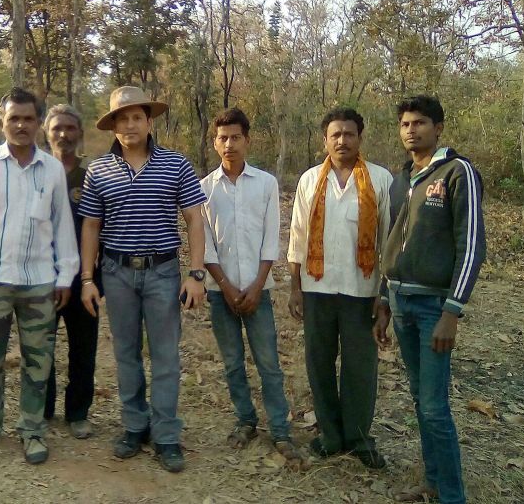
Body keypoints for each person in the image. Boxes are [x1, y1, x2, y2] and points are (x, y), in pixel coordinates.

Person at [78, 86, 207, 473]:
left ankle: (166, 434)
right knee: (126, 354)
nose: (130, 124)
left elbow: (195, 220)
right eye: (122, 118)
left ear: (149, 122)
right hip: (116, 273)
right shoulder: (99, 170)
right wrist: (88, 278)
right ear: (114, 126)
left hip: (163, 272)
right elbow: (90, 227)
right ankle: (134, 425)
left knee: (166, 356)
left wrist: (196, 273)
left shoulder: (176, 164)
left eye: (136, 117)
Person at [0, 87, 79, 465]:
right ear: (2, 123)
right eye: (14, 119)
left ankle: (32, 430)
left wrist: (66, 275)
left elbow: (62, 227)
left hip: (40, 281)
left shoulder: (52, 169)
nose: (21, 125)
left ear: (39, 124)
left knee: (38, 362)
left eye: (28, 118)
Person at [377, 95, 485, 504]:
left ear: (437, 127)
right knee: (421, 401)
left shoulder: (458, 172)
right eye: (405, 124)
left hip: (434, 309)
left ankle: (452, 496)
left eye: (420, 123)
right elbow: (392, 238)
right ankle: (433, 484)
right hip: (401, 302)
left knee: (436, 407)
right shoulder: (402, 178)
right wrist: (385, 300)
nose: (411, 130)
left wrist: (453, 311)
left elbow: (471, 245)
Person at [287, 107, 393, 469]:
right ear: (325, 139)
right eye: (335, 134)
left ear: (360, 138)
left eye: (349, 134)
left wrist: (384, 296)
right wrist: (294, 286)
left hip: (361, 290)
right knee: (319, 362)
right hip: (316, 287)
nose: (342, 140)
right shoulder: (309, 180)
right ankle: (330, 435)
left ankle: (359, 439)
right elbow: (298, 235)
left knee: (360, 367)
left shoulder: (380, 180)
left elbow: (389, 243)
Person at [201, 108, 302, 460]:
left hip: (259, 290)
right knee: (232, 362)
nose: (229, 144)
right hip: (220, 293)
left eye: (235, 137)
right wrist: (226, 286)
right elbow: (206, 246)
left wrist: (258, 286)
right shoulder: (204, 189)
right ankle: (245, 420)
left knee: (269, 363)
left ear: (247, 140)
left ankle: (279, 429)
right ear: (215, 143)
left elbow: (270, 240)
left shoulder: (266, 184)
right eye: (222, 138)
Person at [42, 104, 101, 439]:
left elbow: (100, 226)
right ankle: (44, 410)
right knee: (42, 346)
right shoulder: (38, 171)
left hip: (84, 279)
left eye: (69, 128)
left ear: (79, 133)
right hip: (41, 278)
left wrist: (93, 277)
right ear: (46, 133)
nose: (63, 134)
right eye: (56, 128)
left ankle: (78, 412)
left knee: (83, 348)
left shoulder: (92, 175)